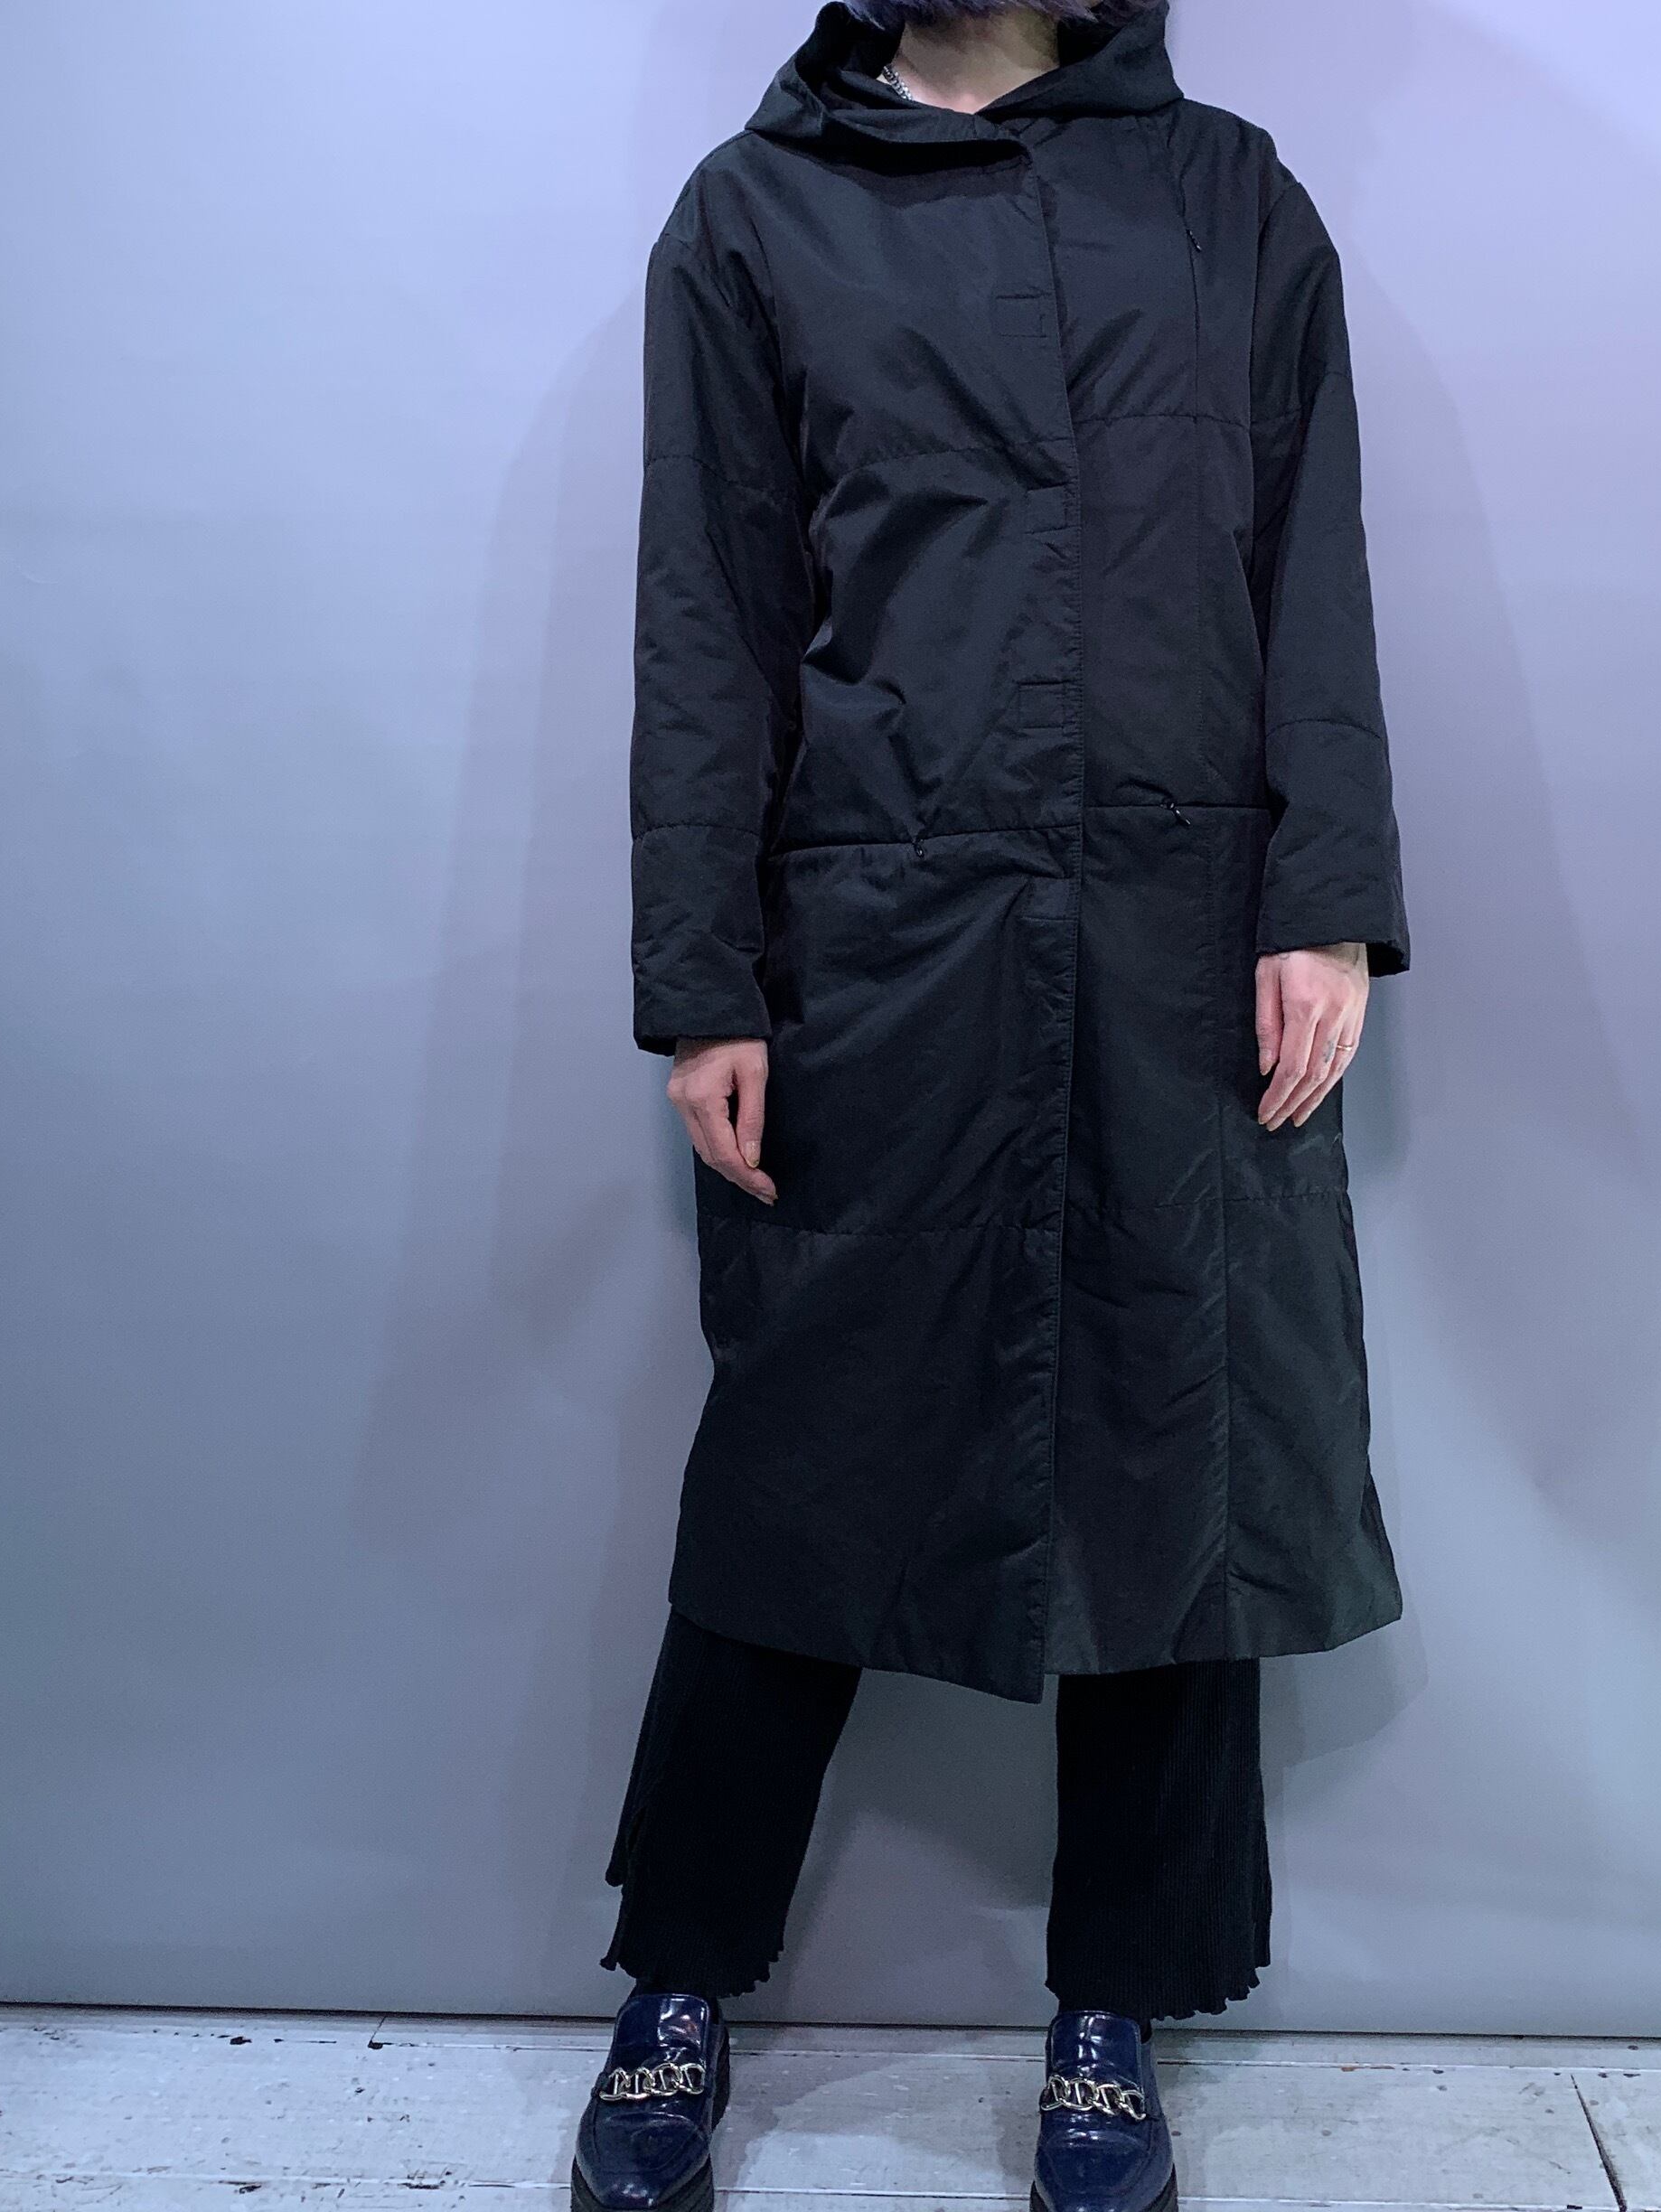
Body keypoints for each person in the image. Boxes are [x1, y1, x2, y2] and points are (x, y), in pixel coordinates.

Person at [577, 1, 1410, 2206]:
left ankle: (1115, 2008)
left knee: (1174, 1459)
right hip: (880, 933)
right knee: (806, 1459)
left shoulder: (1230, 198)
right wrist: (703, 978)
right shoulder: (757, 214)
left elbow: (1309, 560)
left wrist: (1326, 903)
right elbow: (709, 614)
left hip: (1182, 931)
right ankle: (678, 1981)